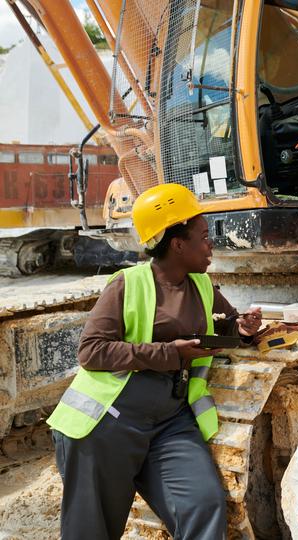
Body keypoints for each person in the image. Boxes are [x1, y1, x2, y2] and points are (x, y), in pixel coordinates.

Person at [47, 183, 262, 540]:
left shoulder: (203, 286)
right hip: (108, 425)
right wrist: (169, 354)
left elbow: (226, 326)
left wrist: (243, 328)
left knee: (203, 505)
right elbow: (91, 352)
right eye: (204, 236)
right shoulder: (127, 284)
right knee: (92, 532)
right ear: (178, 244)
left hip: (169, 422)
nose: (211, 244)